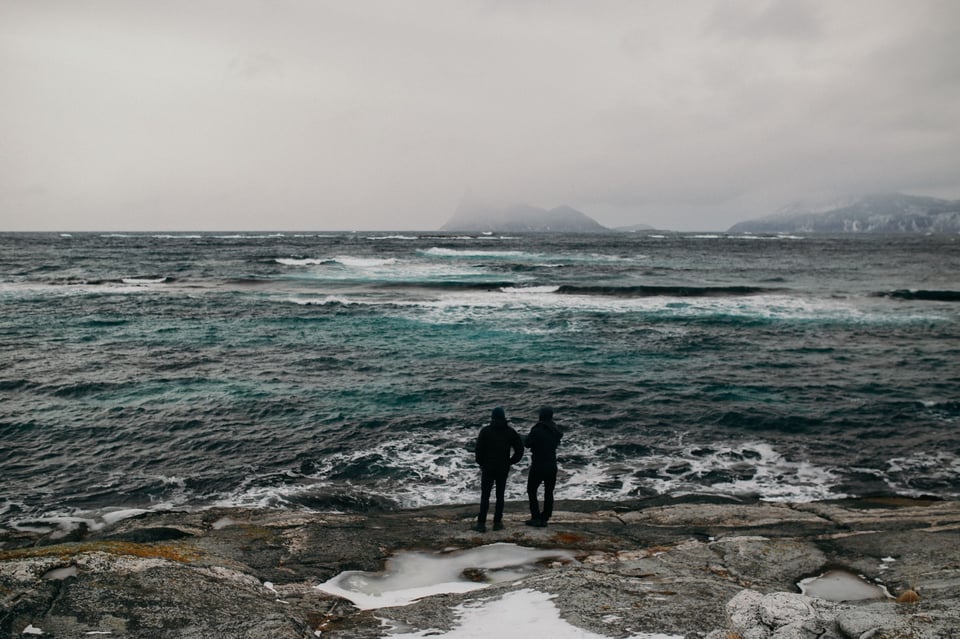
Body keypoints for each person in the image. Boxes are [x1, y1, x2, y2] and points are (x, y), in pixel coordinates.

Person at [473, 406, 524, 532]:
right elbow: (520, 449)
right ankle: (497, 522)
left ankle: (481, 523)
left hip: (488, 467)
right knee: (500, 495)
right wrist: (511, 461)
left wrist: (482, 463)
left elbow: (478, 450)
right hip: (503, 467)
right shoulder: (510, 431)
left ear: (492, 417)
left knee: (485, 495)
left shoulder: (485, 431)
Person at [525, 405, 562, 527]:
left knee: (531, 490)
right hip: (552, 464)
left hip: (538, 465)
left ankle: (536, 517)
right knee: (549, 491)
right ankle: (546, 516)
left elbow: (527, 443)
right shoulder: (555, 430)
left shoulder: (537, 430)